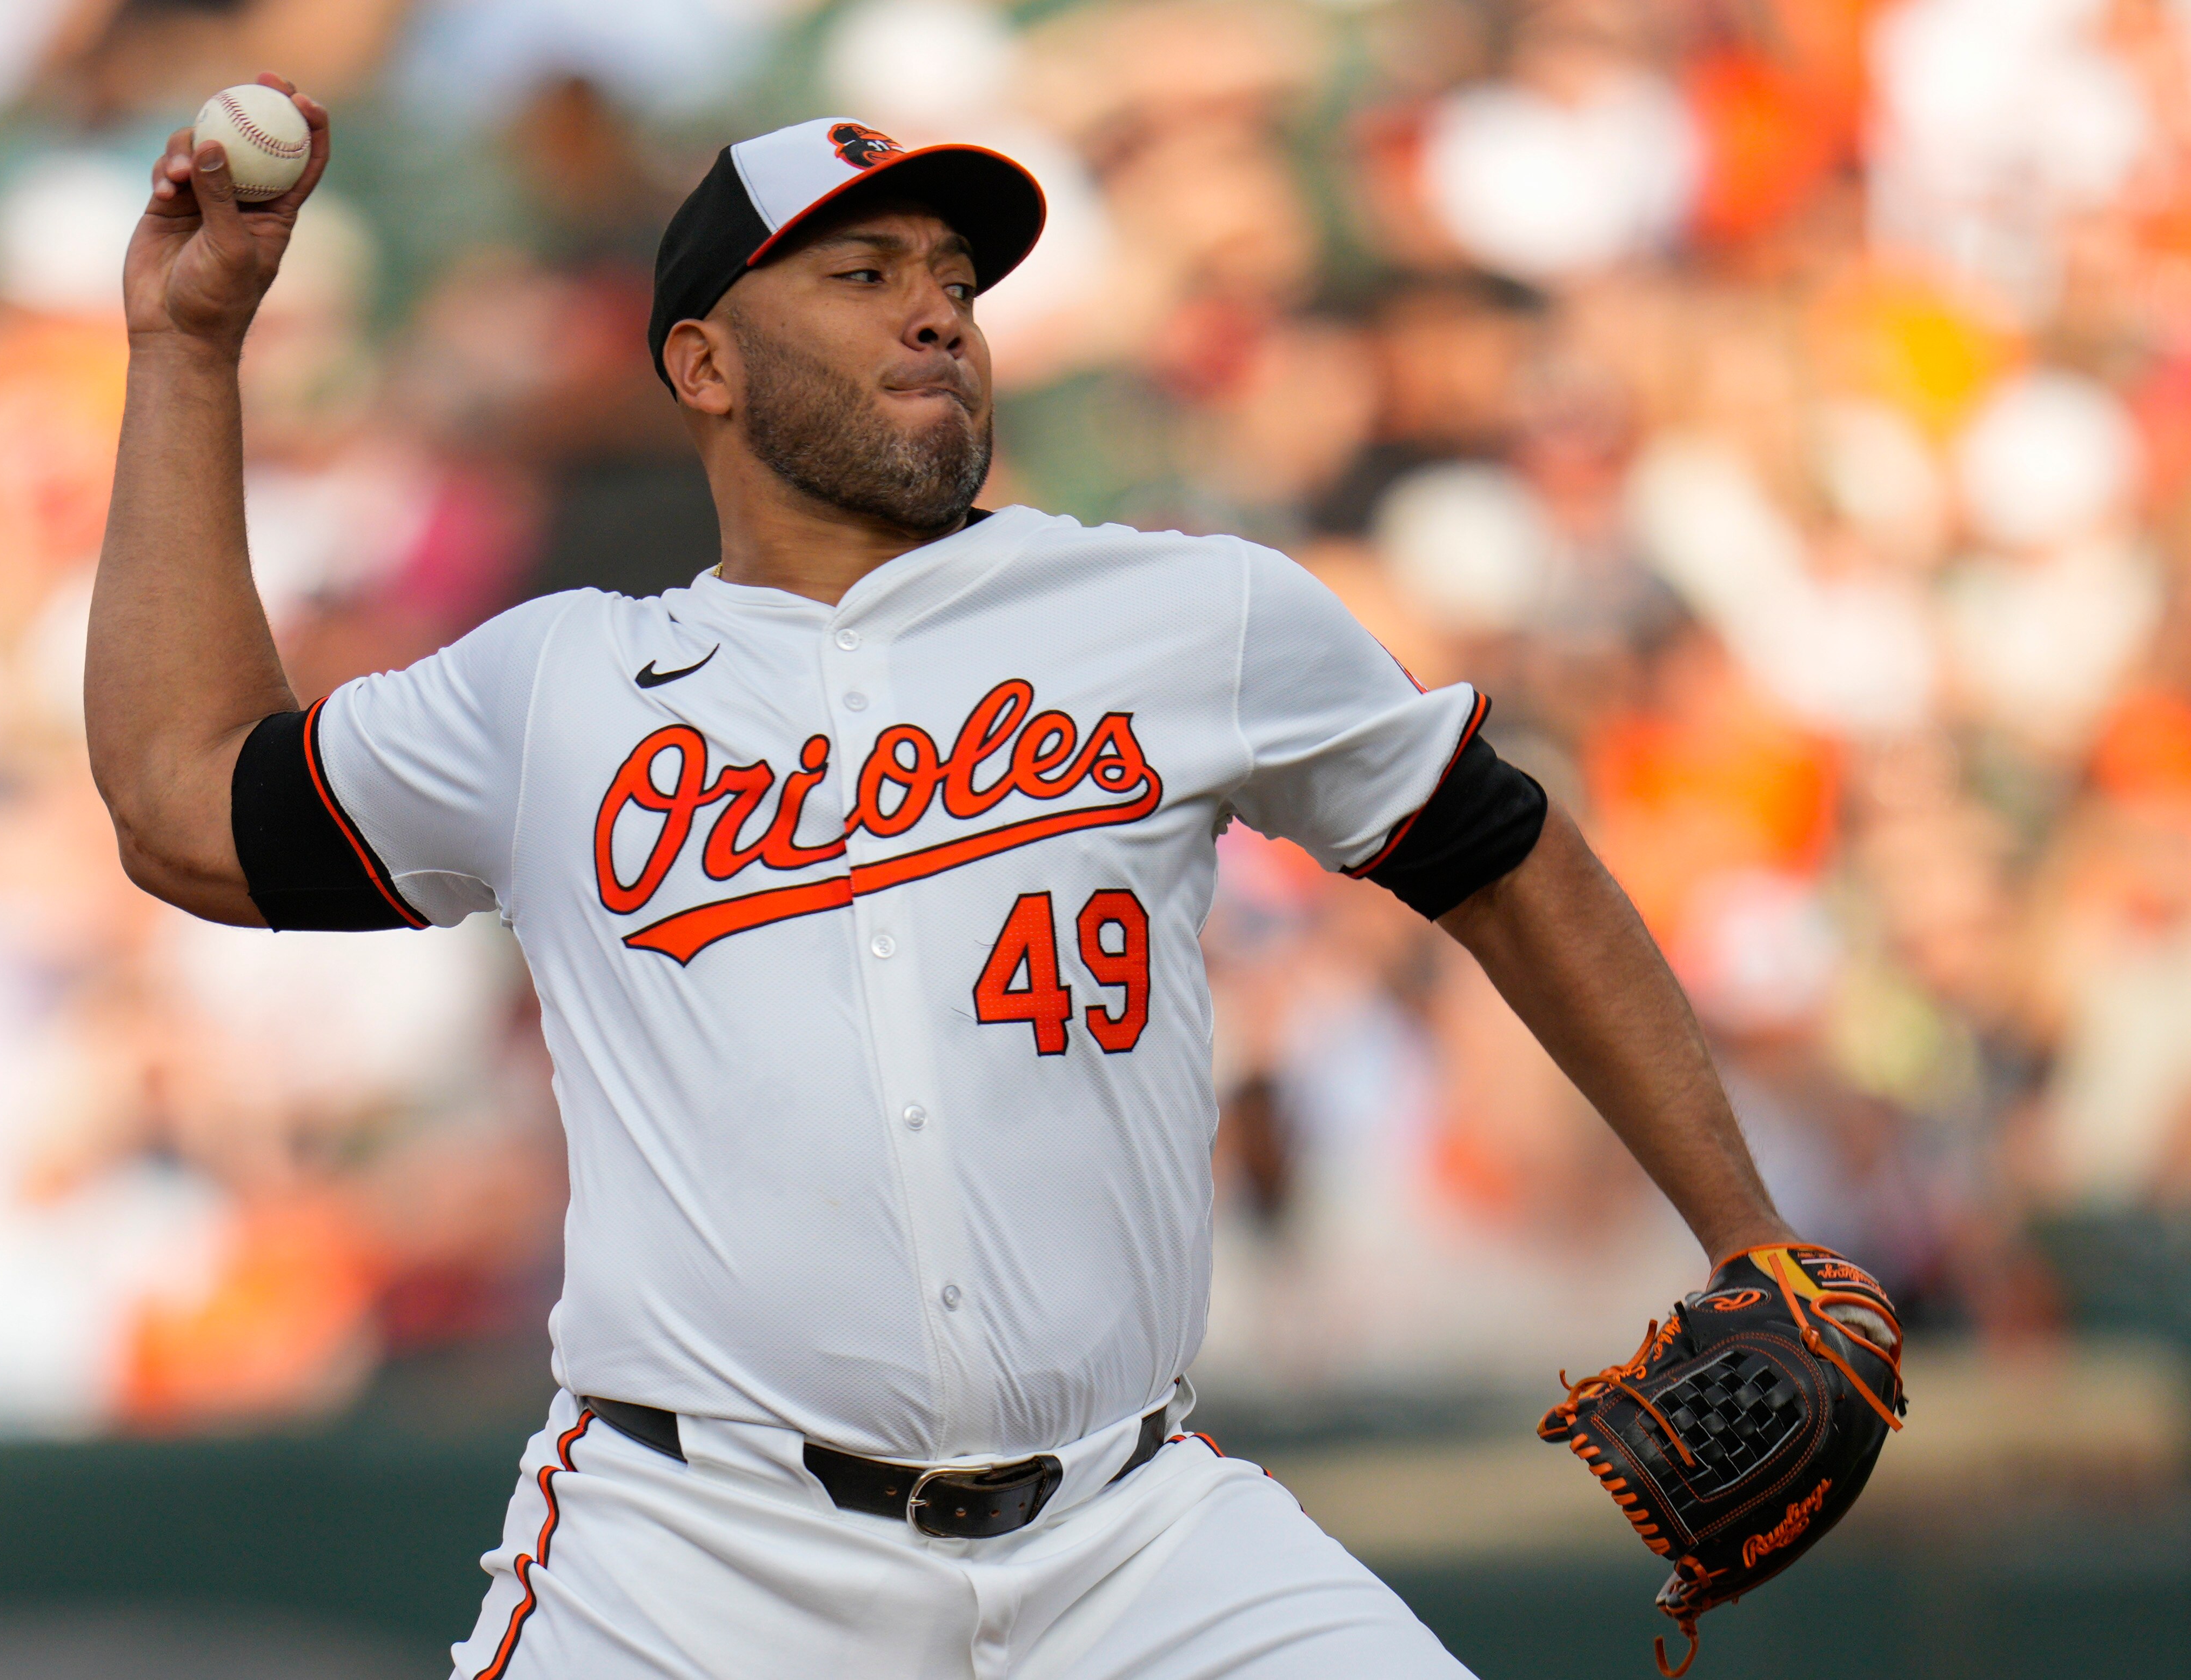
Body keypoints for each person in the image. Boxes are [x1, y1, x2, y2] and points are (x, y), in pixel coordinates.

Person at [90, 78, 1803, 1680]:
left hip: (1141, 1544)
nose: (937, 310)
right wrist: (189, 350)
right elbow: (183, 807)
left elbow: (1505, 852)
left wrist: (1751, 1243)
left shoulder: (1185, 614)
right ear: (704, 364)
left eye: (955, 280)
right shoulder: (555, 692)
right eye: (861, 271)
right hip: (693, 1559)